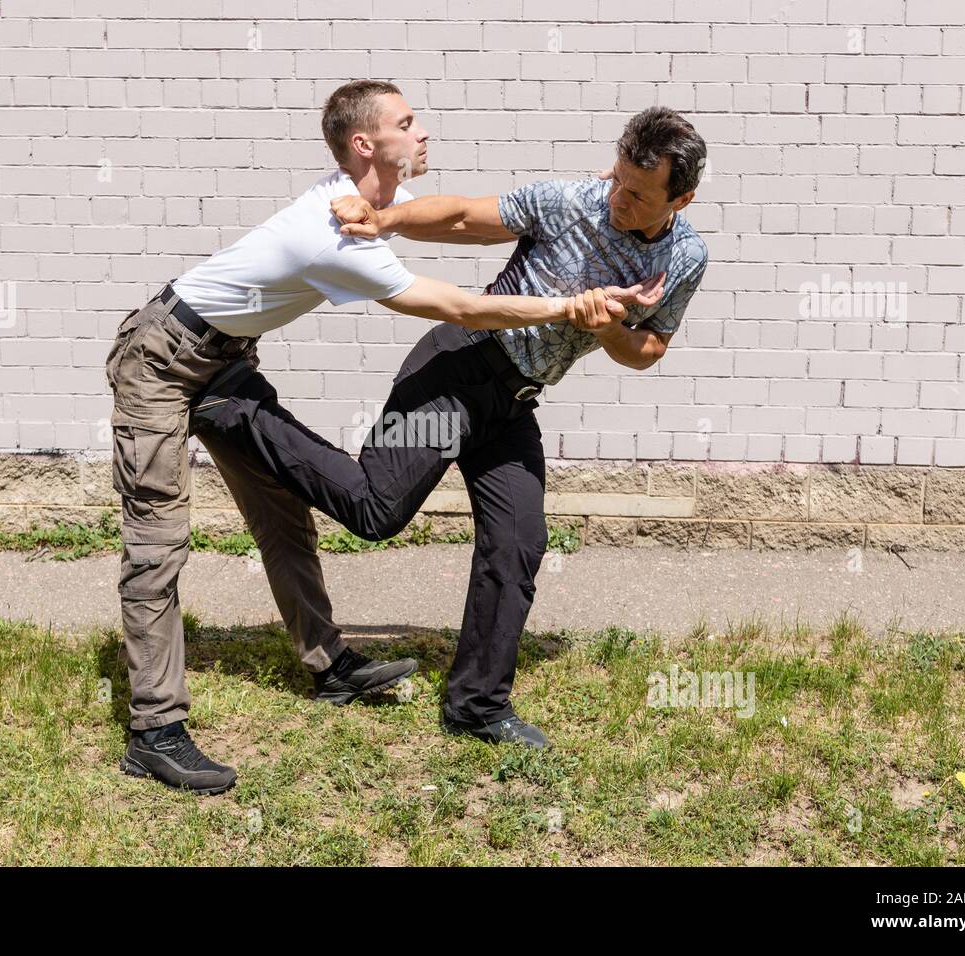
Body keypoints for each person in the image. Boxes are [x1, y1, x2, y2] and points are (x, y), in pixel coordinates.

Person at [107, 79, 629, 794]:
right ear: (365, 143)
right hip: (162, 362)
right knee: (158, 545)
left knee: (284, 522)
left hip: (224, 361)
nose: (422, 133)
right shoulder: (335, 232)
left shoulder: (370, 210)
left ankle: (330, 668)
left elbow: (454, 217)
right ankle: (154, 730)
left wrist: (611, 197)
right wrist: (567, 305)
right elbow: (459, 307)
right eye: (407, 123)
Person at [192, 106, 710, 750]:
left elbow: (647, 351)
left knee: (518, 541)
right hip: (460, 368)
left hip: (514, 402)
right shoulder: (568, 201)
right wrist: (386, 219)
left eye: (637, 195)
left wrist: (605, 326)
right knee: (376, 510)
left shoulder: (687, 257)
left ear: (681, 199)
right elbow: (465, 216)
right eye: (617, 180)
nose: (617, 199)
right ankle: (234, 405)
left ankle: (477, 706)